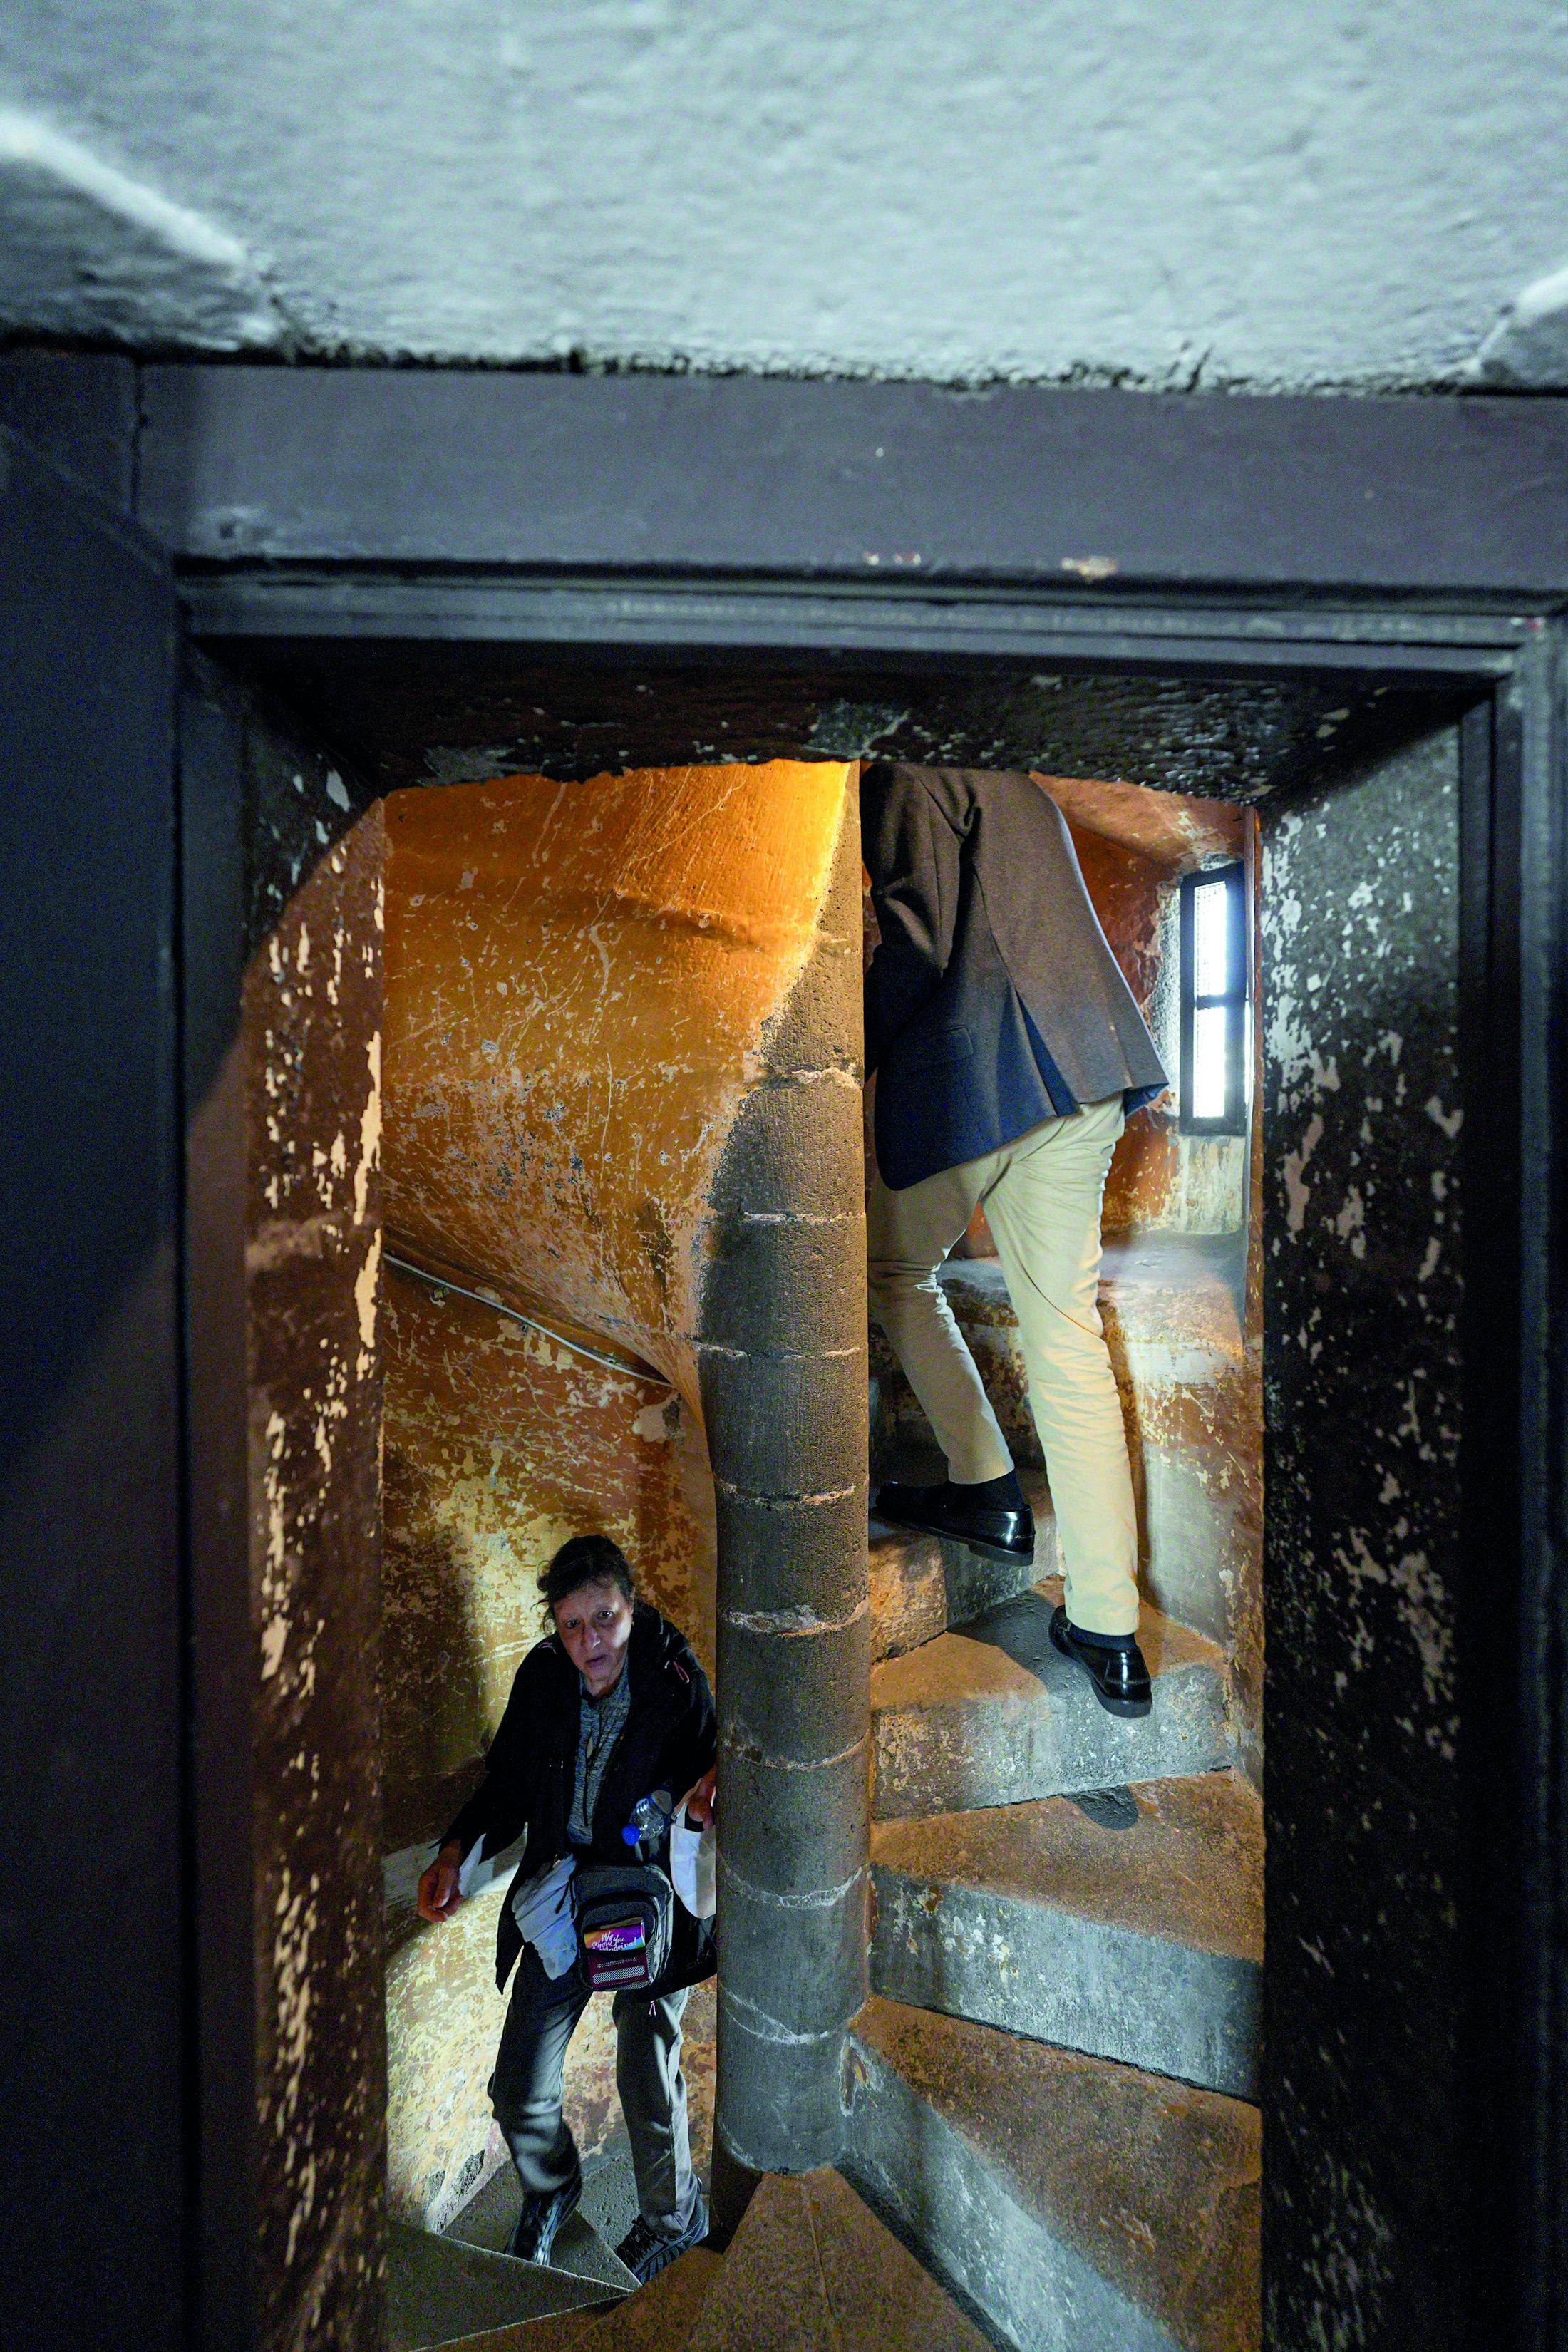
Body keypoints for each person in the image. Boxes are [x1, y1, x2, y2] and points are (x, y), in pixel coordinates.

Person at [862, 762, 1169, 1718]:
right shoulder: (1016, 781)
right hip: (1089, 1069)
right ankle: (1110, 1630)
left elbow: (915, 941)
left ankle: (986, 1485)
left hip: (992, 1069)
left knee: (890, 1266)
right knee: (1067, 1342)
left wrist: (836, 1054)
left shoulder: (910, 770)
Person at [418, 1534, 718, 2283]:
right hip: (562, 1901)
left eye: (605, 1619)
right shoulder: (544, 1677)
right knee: (519, 2089)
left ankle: (673, 2220)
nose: (590, 1642)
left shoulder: (673, 1678)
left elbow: (716, 1771)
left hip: (646, 1906)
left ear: (631, 1603)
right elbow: (509, 1785)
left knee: (647, 2065)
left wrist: (715, 1784)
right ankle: (553, 2186)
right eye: (573, 1624)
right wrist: (456, 1850)